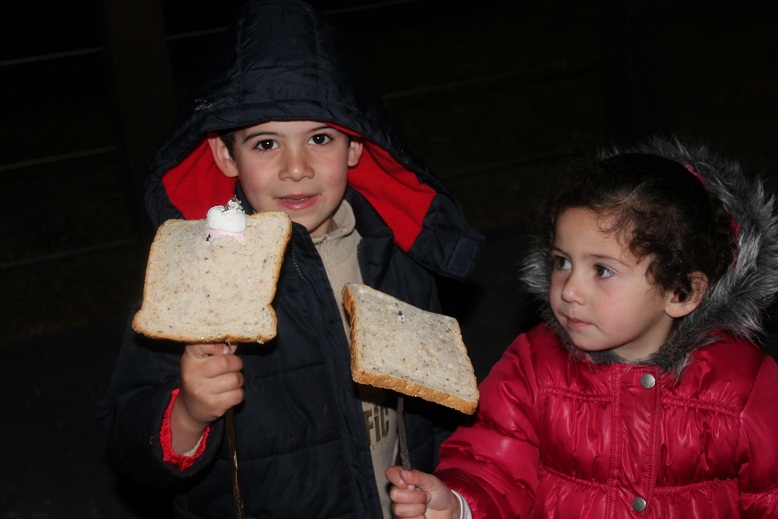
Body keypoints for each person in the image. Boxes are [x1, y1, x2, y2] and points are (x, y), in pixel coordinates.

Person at [98, 1, 483, 517]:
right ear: (225, 155)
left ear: (355, 146)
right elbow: (127, 437)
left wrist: (446, 490)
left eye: (319, 138)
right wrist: (188, 413)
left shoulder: (398, 260)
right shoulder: (196, 275)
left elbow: (438, 418)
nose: (296, 168)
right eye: (265, 143)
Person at [386, 136, 778, 518]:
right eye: (562, 261)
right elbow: (491, 464)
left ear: (681, 292)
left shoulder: (744, 385)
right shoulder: (533, 366)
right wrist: (459, 505)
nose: (570, 290)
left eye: (602, 270)